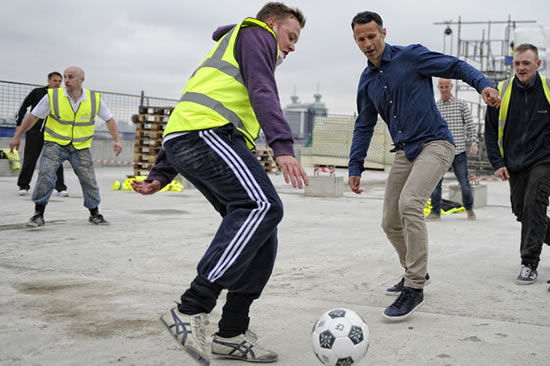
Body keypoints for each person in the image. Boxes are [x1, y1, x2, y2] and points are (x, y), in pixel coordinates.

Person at [131, 2, 308, 364]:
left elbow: (190, 100)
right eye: (290, 37)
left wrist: (162, 173)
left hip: (196, 138)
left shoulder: (230, 46)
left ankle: (232, 333)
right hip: (205, 135)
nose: (292, 47)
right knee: (263, 206)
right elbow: (263, 91)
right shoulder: (255, 34)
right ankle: (192, 307)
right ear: (273, 24)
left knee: (261, 232)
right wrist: (282, 146)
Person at [348, 11, 500, 321]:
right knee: (390, 221)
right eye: (361, 39)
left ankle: (414, 286)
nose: (368, 43)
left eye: (372, 36)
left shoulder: (411, 56)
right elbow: (364, 125)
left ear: (383, 33)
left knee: (410, 204)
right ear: (356, 41)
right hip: (405, 152)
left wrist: (482, 85)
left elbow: (455, 66)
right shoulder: (366, 81)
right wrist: (355, 166)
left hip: (436, 143)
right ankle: (415, 270)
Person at [10, 66, 122, 227]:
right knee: (45, 175)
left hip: (80, 146)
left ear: (81, 79)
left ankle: (95, 213)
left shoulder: (93, 98)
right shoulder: (53, 96)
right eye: (65, 77)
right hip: (55, 144)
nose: (66, 80)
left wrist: (117, 140)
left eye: (70, 77)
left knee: (88, 179)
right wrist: (17, 136)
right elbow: (33, 116)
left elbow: (109, 119)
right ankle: (38, 214)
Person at [485, 43, 550, 286]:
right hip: (515, 162)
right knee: (522, 210)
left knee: (535, 202)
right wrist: (497, 162)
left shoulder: (548, 89)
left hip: (544, 159)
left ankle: (529, 262)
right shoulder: (500, 91)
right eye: (517, 63)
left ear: (537, 64)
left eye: (526, 63)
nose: (521, 68)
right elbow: (490, 132)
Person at [426, 78, 478, 221]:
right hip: (441, 153)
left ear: (451, 86)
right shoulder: (435, 107)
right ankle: (435, 212)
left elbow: (470, 126)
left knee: (464, 183)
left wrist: (474, 142)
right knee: (435, 183)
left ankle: (469, 209)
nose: (444, 89)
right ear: (438, 87)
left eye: (446, 86)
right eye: (441, 87)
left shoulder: (460, 105)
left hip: (458, 151)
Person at [15, 72, 68, 197]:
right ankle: (23, 185)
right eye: (55, 80)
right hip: (35, 131)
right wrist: (19, 124)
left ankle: (60, 187)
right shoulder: (37, 92)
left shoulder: (61, 95)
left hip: (53, 132)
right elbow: (24, 106)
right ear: (49, 81)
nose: (58, 83)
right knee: (30, 159)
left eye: (60, 81)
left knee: (56, 160)